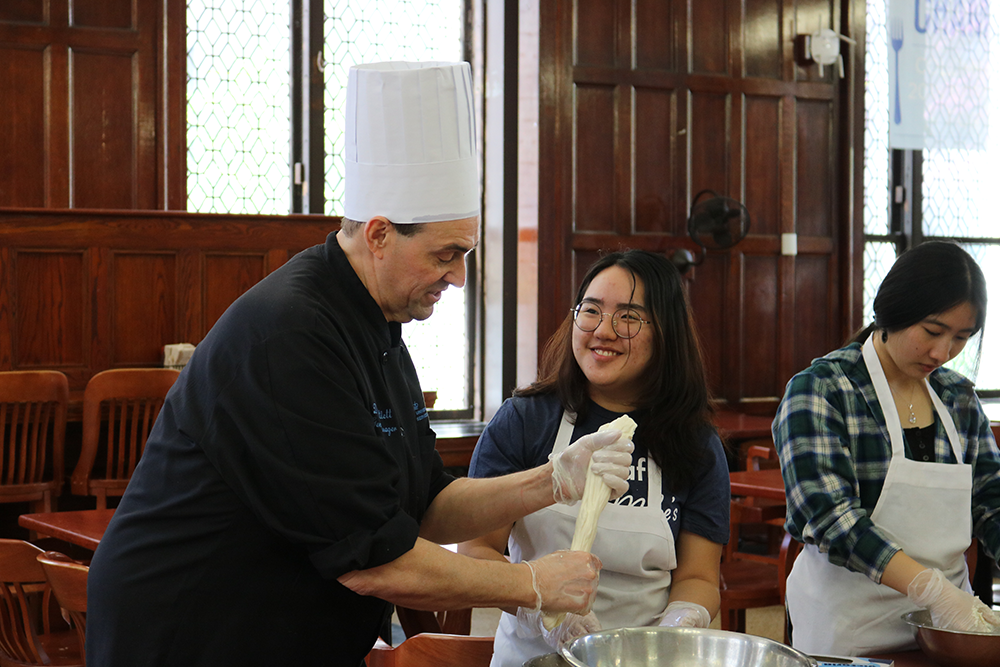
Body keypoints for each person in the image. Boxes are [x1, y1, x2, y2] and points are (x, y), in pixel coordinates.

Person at [85, 61, 635, 667]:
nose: (458, 276)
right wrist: (530, 585)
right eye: (446, 254)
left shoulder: (378, 323)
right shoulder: (292, 334)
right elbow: (375, 560)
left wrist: (551, 478)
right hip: (192, 632)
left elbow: (424, 503)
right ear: (378, 234)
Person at [460, 250, 730, 666]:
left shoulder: (696, 443)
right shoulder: (525, 421)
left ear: (666, 332)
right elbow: (478, 551)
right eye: (591, 311)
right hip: (534, 657)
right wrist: (540, 611)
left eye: (628, 317)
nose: (603, 330)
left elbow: (698, 576)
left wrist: (679, 624)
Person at [773, 241, 1000, 656]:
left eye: (961, 338)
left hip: (948, 631)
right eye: (932, 331)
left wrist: (950, 604)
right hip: (849, 630)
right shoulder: (823, 390)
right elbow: (831, 519)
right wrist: (931, 590)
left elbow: (992, 501)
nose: (942, 352)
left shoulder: (957, 397)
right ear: (892, 311)